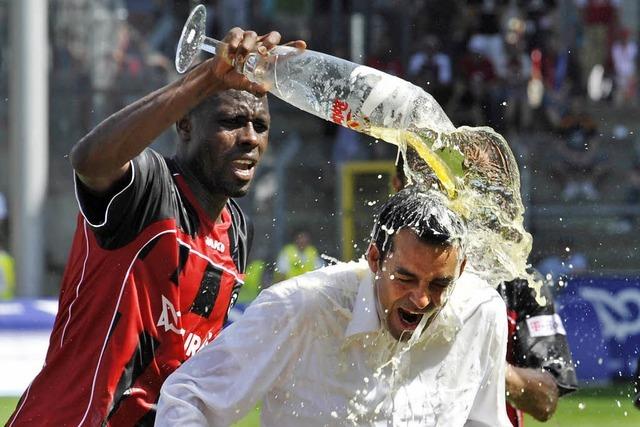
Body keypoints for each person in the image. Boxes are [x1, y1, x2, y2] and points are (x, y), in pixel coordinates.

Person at [8, 27, 305, 426]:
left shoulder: (237, 230)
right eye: (232, 121)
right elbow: (90, 160)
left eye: (261, 125)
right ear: (185, 126)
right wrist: (206, 78)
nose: (250, 139)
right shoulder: (150, 187)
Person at [156, 187, 512, 426]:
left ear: (461, 272)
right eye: (405, 279)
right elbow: (187, 396)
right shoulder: (300, 309)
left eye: (439, 284)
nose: (420, 300)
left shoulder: (480, 313)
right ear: (375, 258)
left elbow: (483, 421)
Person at [393, 155, 578, 426]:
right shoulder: (372, 278)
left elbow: (546, 400)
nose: (434, 201)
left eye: (444, 185)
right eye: (424, 185)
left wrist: (482, 360)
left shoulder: (514, 282)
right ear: (398, 186)